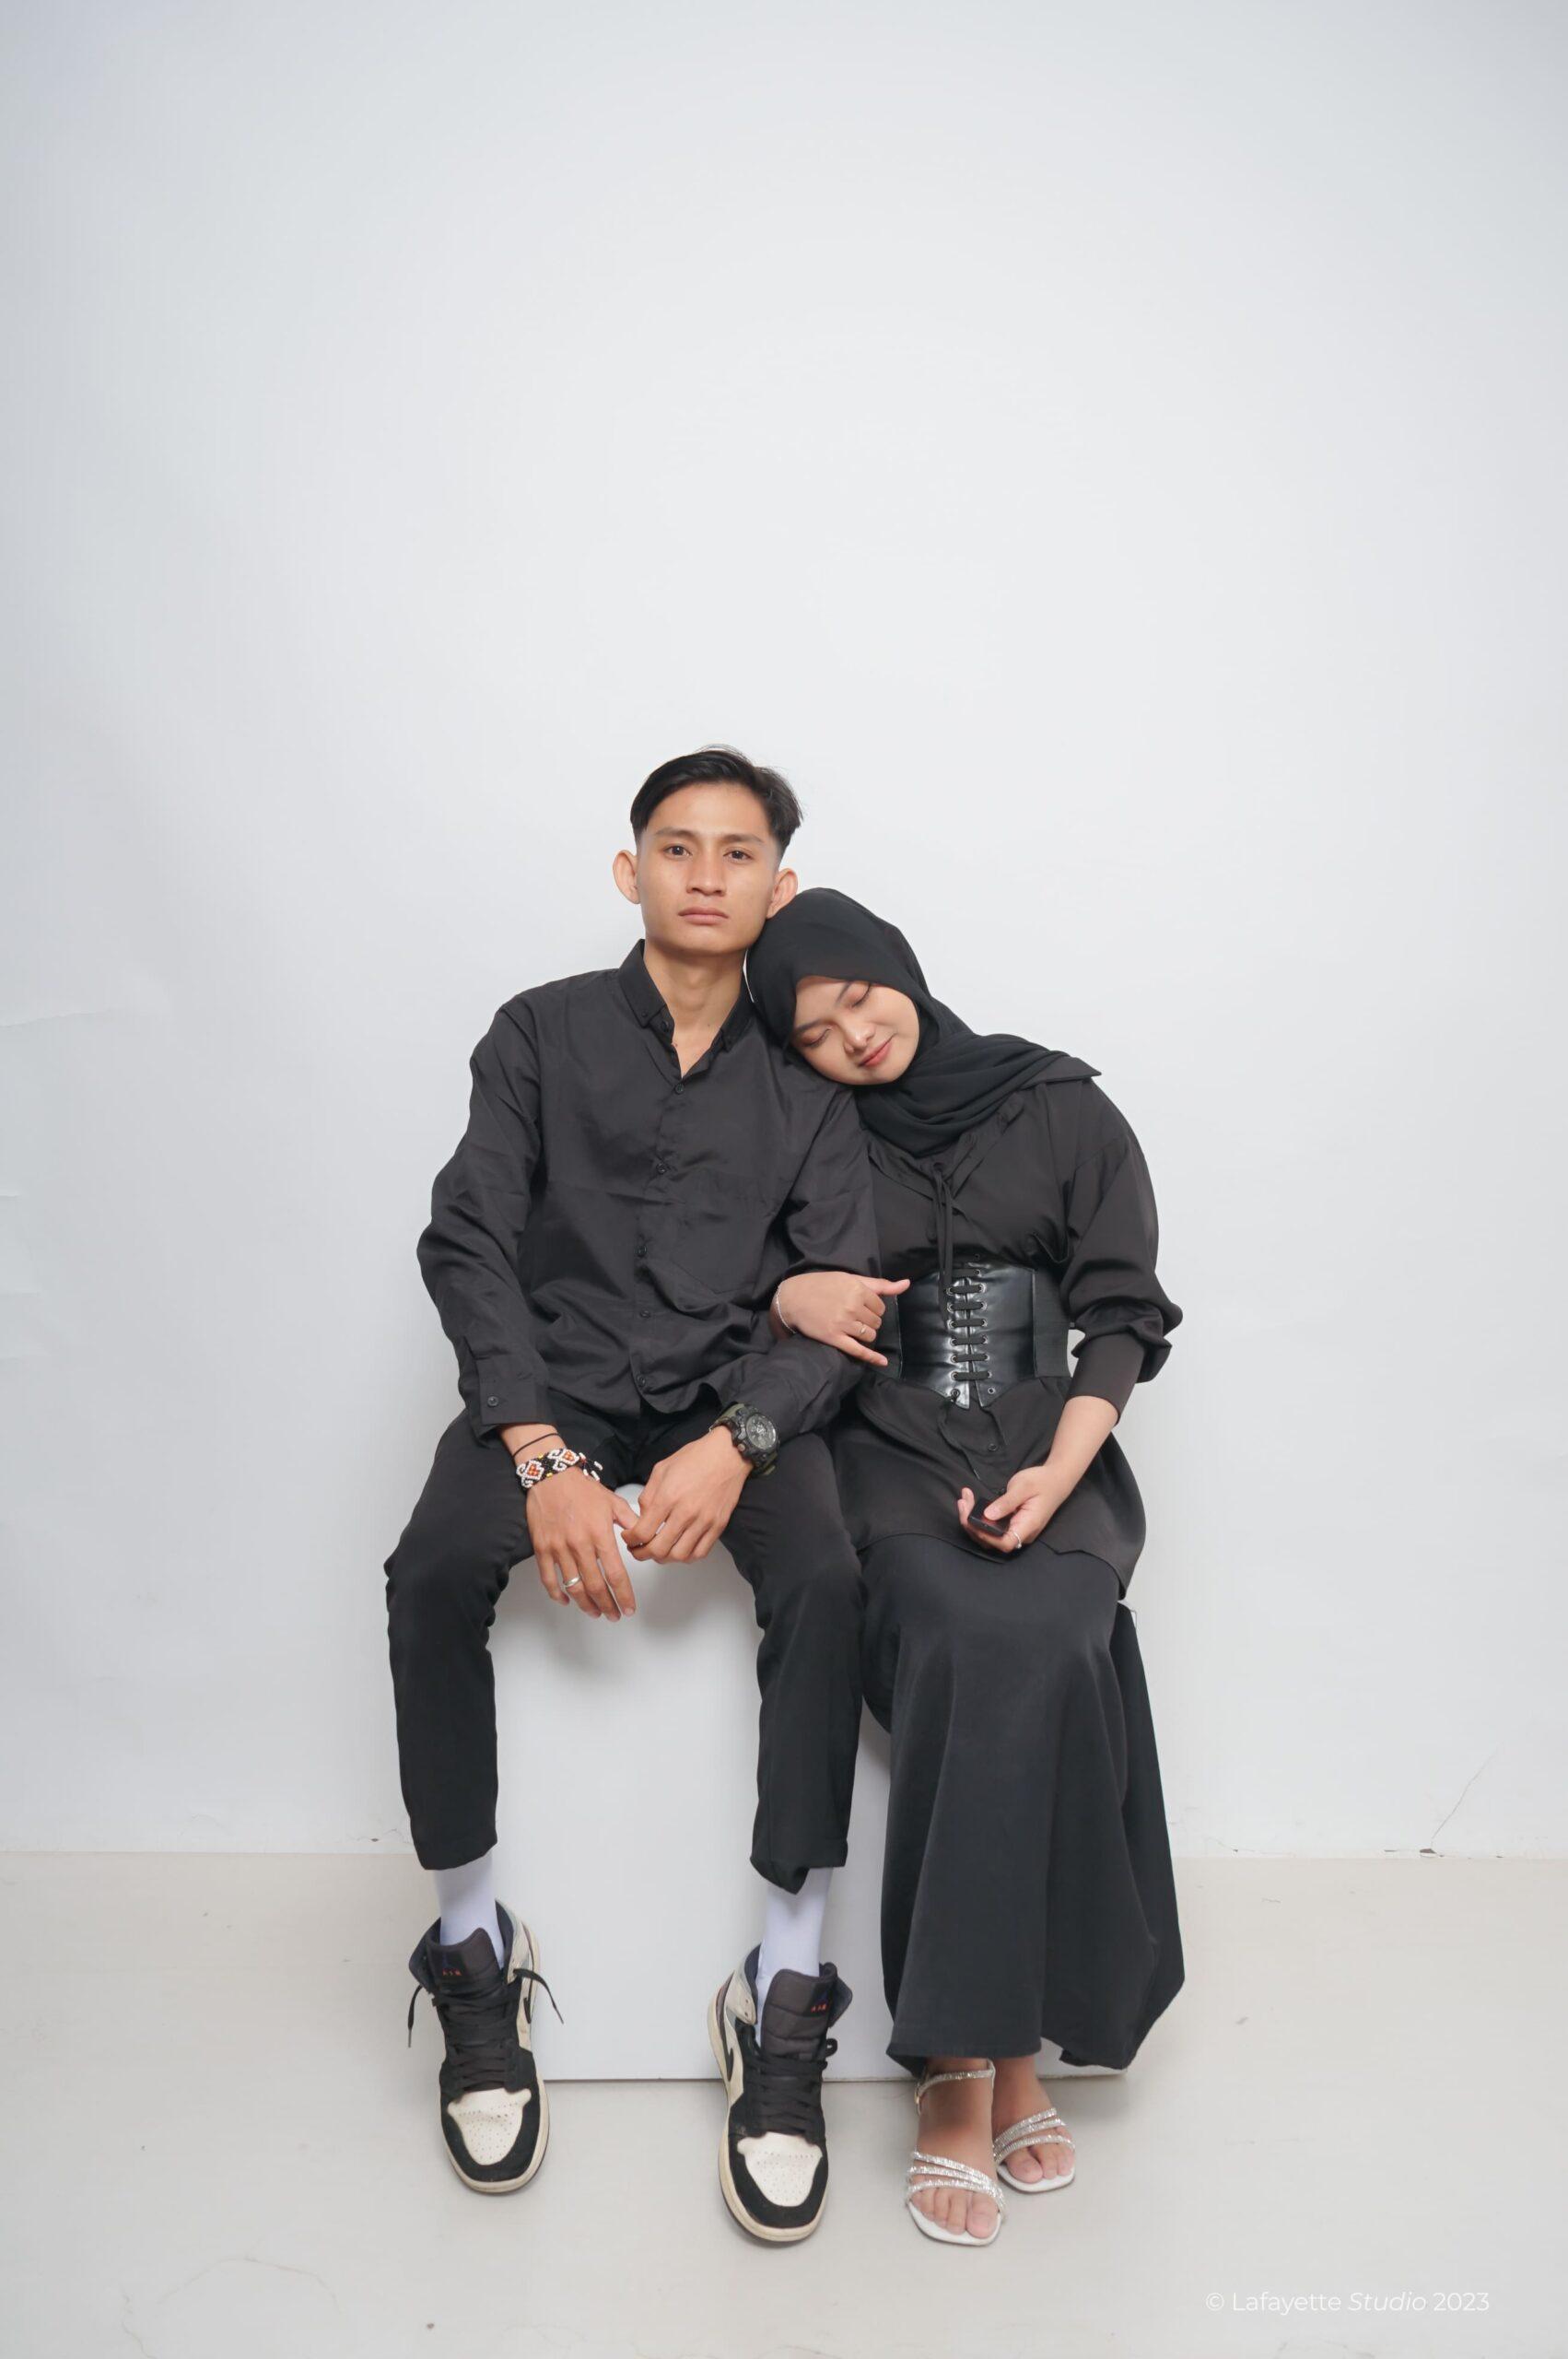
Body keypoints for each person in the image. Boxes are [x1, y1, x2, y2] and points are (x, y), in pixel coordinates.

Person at [383, 755, 888, 2243]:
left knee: (829, 1578)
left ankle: (781, 1977)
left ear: (778, 888)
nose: (705, 874)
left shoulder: (812, 1078)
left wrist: (737, 1439)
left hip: (732, 1401)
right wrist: (541, 1453)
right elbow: (468, 1240)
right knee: (429, 1569)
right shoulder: (536, 1033)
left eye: (737, 852)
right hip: (555, 1391)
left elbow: (842, 1301)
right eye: (677, 847)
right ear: (631, 871)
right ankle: (471, 1946)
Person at [745, 886, 1186, 2248]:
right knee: (955, 1625)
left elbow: (1122, 1313)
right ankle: (969, 2063)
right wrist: (784, 1292)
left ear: (900, 969)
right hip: (886, 1442)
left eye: (859, 998)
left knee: (1052, 1634)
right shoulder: (806, 1132)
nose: (854, 1037)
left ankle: (990, 2045)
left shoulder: (1060, 1104)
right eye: (815, 1032)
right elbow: (732, 1269)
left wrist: (1058, 1468)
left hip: (1053, 1441)